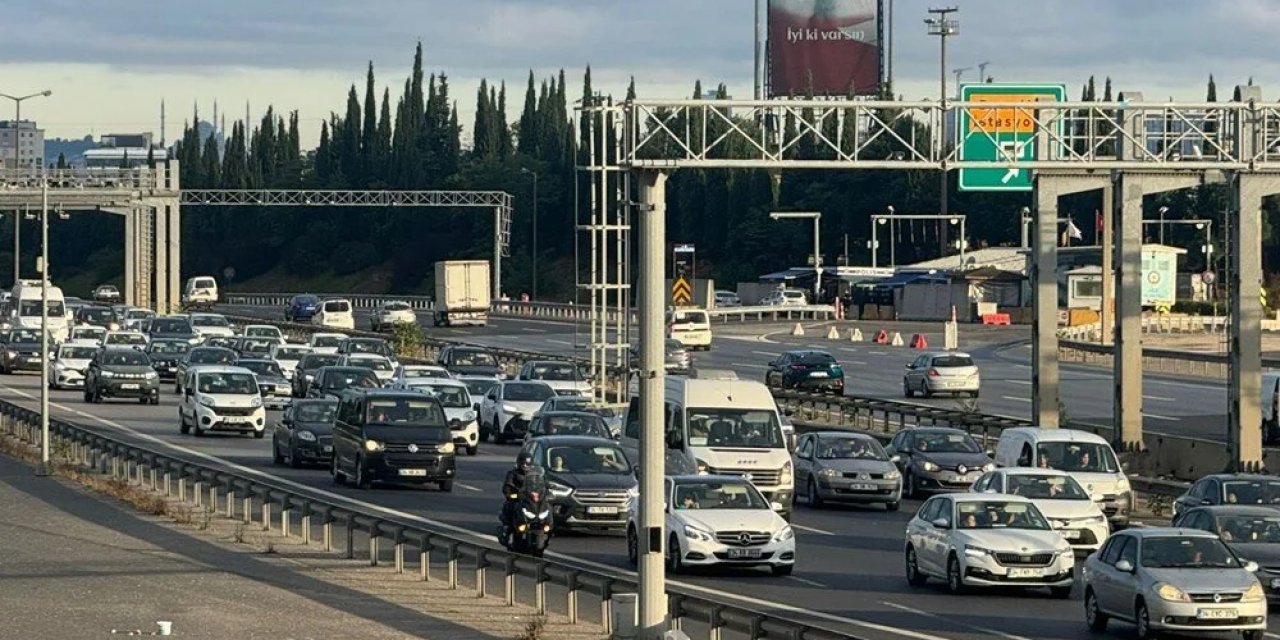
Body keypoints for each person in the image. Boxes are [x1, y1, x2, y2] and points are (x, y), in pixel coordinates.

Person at [501, 453, 534, 530]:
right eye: (523, 463)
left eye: (527, 463)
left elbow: (541, 484)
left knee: (544, 507)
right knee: (511, 506)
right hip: (518, 499)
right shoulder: (513, 474)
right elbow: (507, 485)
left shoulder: (534, 475)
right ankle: (509, 525)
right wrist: (509, 493)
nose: (525, 466)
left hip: (530, 499)